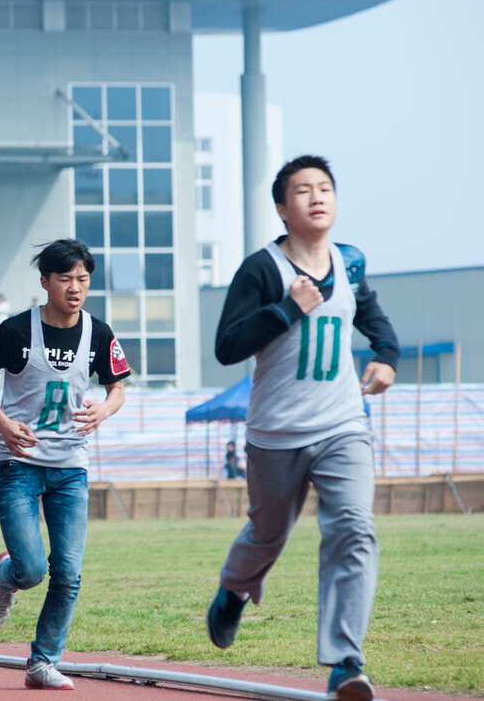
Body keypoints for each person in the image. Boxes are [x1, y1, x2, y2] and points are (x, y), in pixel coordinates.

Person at [206, 155, 398, 701]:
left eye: (325, 188)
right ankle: (233, 590)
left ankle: (345, 662)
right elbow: (227, 346)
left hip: (343, 425)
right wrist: (287, 310)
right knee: (268, 536)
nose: (317, 197)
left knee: (354, 530)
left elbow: (375, 322)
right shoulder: (262, 269)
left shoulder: (350, 262)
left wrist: (386, 356)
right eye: (303, 190)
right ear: (281, 208)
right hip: (275, 434)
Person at [0, 238, 129, 690]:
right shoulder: (17, 331)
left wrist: (105, 409)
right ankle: (6, 576)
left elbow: (118, 387)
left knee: (70, 572)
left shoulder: (98, 333)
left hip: (71, 465)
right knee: (32, 570)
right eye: (65, 278)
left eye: (82, 279)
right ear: (45, 283)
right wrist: (1, 422)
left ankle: (43, 662)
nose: (75, 287)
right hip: (19, 462)